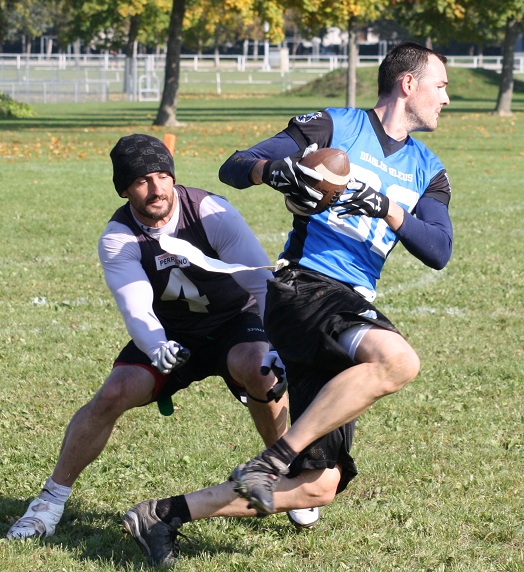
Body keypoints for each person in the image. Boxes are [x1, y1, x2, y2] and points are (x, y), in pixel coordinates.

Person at [120, 42, 453, 566]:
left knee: (319, 485)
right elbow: (238, 164)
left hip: (350, 302)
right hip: (305, 288)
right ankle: (274, 456)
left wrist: (387, 208)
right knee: (397, 360)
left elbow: (439, 250)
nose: (447, 98)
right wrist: (274, 172)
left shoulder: (427, 169)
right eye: (441, 85)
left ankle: (165, 514)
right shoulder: (332, 126)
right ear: (408, 84)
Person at [6, 133, 314, 540]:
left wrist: (273, 343)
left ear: (172, 176)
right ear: (123, 188)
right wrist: (156, 346)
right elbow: (136, 307)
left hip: (232, 323)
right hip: (172, 335)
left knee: (262, 370)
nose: (155, 189)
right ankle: (49, 501)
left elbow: (260, 283)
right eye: (141, 181)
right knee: (113, 393)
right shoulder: (118, 238)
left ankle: (284, 472)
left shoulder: (209, 210)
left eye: (161, 176)